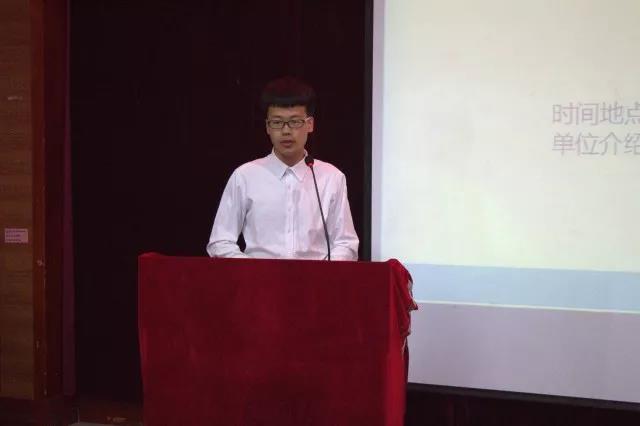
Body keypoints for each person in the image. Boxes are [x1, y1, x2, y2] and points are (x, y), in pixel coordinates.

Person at [206, 76, 359, 260]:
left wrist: (321, 273)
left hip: (316, 277)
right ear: (267, 127)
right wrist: (254, 270)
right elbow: (220, 242)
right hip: (257, 277)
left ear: (310, 124)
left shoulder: (331, 177)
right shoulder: (245, 176)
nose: (286, 131)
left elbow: (346, 244)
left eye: (294, 122)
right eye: (277, 122)